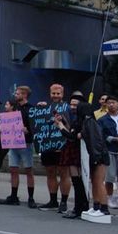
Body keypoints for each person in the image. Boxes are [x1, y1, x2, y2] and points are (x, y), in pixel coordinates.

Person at [0, 86, 37, 208]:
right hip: (13, 142)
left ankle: (31, 197)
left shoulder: (30, 109)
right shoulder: (15, 107)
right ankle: (13, 195)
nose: (16, 95)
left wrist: (28, 130)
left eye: (18, 93)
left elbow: (34, 125)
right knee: (13, 169)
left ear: (25, 95)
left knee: (28, 170)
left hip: (26, 142)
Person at [36, 84, 70, 212]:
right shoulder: (45, 107)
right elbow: (37, 122)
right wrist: (39, 109)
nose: (55, 95)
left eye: (58, 93)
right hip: (47, 146)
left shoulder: (67, 107)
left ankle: (64, 202)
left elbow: (70, 125)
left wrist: (63, 120)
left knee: (64, 174)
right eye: (53, 93)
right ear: (50, 93)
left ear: (62, 94)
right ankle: (53, 200)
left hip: (62, 146)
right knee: (50, 173)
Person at [77, 102, 112, 222]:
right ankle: (96, 206)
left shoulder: (89, 122)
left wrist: (96, 157)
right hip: (94, 156)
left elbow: (96, 141)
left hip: (99, 156)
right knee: (94, 182)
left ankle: (104, 208)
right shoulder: (87, 121)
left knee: (99, 182)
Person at [97, 96, 118, 210]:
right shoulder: (102, 120)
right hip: (110, 150)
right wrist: (112, 139)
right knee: (110, 177)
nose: (111, 105)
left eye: (113, 102)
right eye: (109, 103)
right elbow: (101, 135)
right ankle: (110, 197)